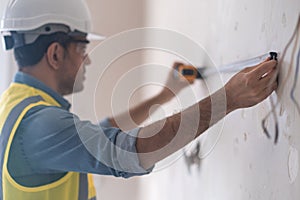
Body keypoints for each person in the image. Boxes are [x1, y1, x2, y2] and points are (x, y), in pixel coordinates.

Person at [0, 0, 278, 200]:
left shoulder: (16, 107)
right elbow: (129, 152)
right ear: (55, 54)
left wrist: (161, 97)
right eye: (82, 47)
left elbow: (100, 134)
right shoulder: (39, 124)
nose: (88, 58)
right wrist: (227, 99)